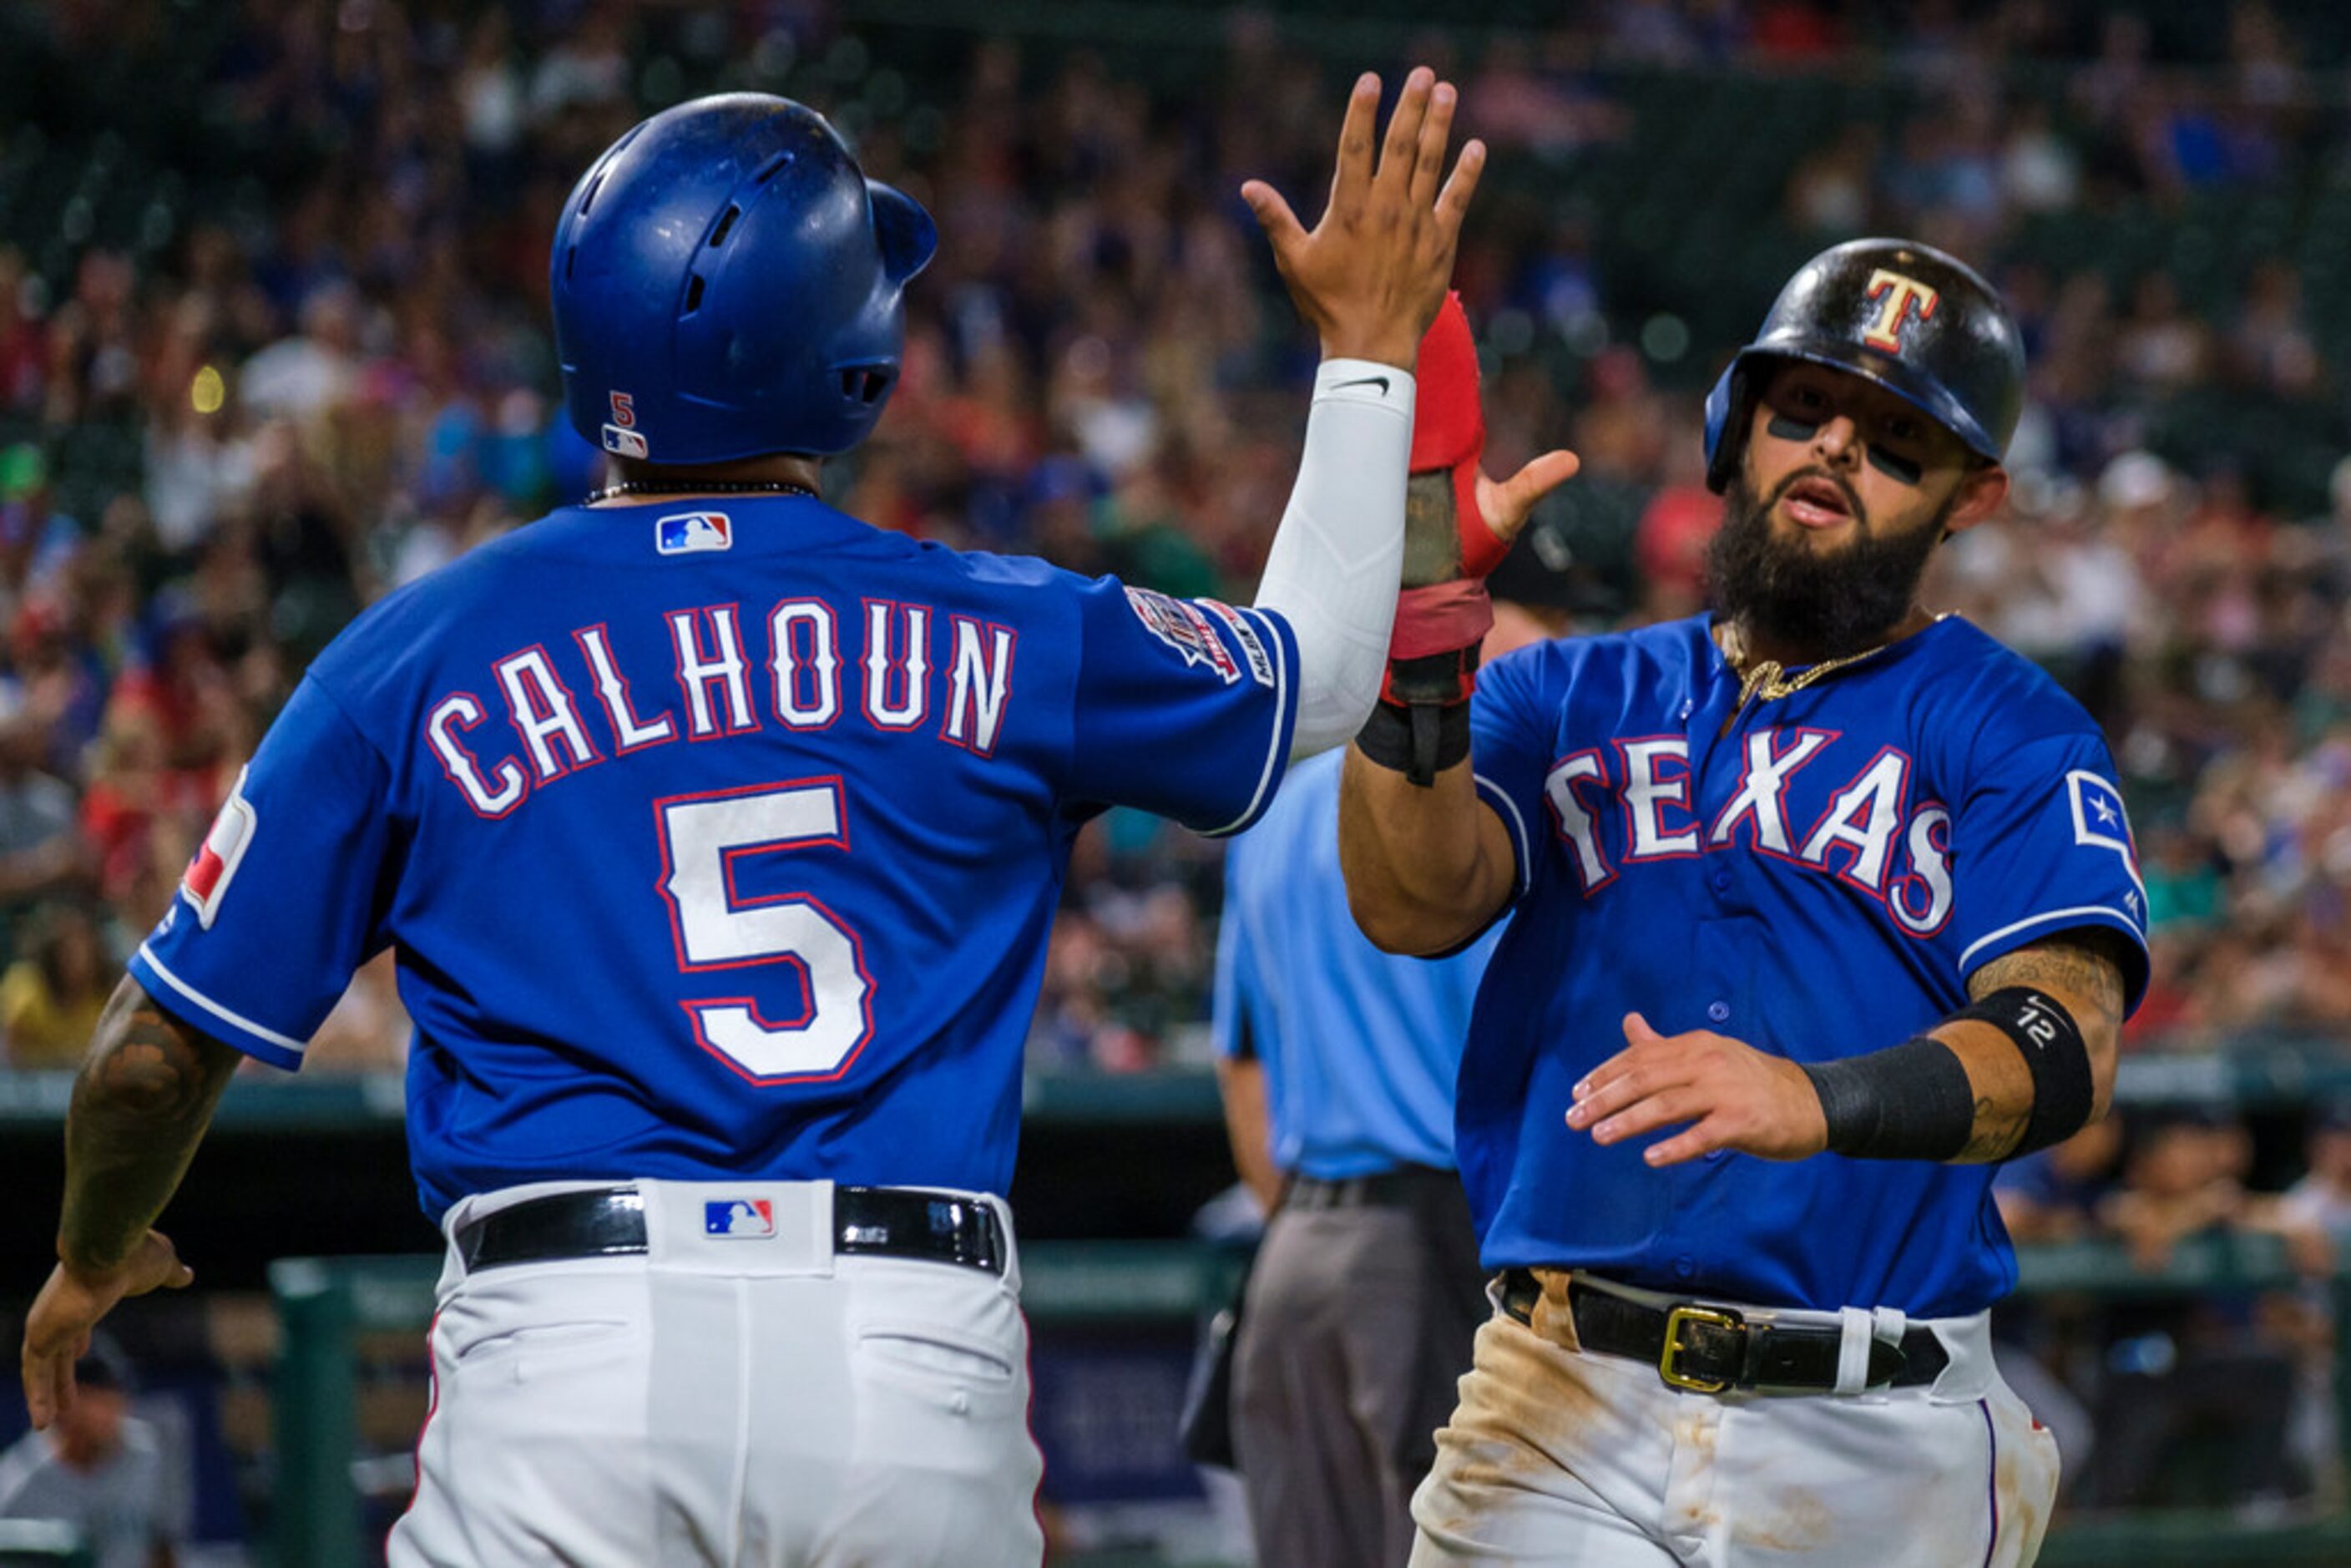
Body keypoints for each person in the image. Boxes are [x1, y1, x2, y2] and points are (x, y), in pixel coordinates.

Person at [18, 77, 1488, 1567]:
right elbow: (1315, 677)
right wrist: (1368, 355)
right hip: (904, 1359)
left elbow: (150, 1057)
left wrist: (88, 1254)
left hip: (562, 1354)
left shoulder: (411, 653)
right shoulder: (1007, 622)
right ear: (852, 356)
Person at [1340, 238, 2152, 1566]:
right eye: (1804, 409)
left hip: (1875, 1424)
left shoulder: (2012, 729)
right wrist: (1417, 647)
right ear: (1734, 427)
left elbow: (2067, 1045)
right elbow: (1408, 898)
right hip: (1559, 1392)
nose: (1836, 447)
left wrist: (1812, 1095)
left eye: (1898, 438)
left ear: (1973, 495)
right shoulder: (1567, 695)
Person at [1212, 296, 1572, 1568]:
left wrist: (1311, 1214)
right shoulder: (1489, 779)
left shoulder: (1281, 781)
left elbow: (1240, 1061)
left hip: (1300, 1254)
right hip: (1441, 1240)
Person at [0, 1336, 179, 1568]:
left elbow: (163, 1548)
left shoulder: (147, 1453)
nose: (111, 1410)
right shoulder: (17, 1485)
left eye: (114, 1395)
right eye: (95, 1398)